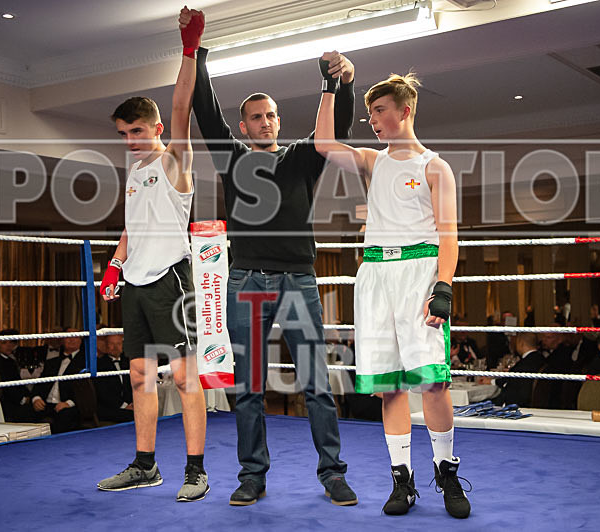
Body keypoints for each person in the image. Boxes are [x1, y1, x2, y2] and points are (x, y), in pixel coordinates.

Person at [191, 16, 358, 507]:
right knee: (248, 386)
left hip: (298, 280)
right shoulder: (232, 157)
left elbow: (337, 128)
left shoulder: (303, 156)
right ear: (244, 126)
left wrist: (343, 83)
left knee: (317, 383)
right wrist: (197, 54)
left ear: (279, 121)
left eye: (271, 115)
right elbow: (206, 112)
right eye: (256, 117)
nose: (266, 122)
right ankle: (252, 476)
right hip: (247, 280)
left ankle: (332, 474)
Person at [314, 66, 470, 518]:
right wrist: (330, 87)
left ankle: (446, 471)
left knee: (433, 382)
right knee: (389, 387)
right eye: (370, 113)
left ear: (405, 111)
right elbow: (323, 144)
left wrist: (443, 284)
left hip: (419, 271)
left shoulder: (434, 166)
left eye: (380, 110)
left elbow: (449, 235)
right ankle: (402, 479)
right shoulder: (372, 160)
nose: (373, 120)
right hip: (376, 274)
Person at [96, 7, 208, 503]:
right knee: (140, 375)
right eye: (123, 134)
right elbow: (133, 227)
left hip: (170, 279)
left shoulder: (174, 160)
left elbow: (182, 106)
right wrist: (114, 264)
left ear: (157, 128)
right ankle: (145, 465)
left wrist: (189, 49)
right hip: (136, 282)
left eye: (137, 131)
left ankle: (196, 470)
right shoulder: (135, 173)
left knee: (184, 377)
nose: (130, 141)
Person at [30, 329, 85, 434]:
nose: (72, 340)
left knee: (65, 417)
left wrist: (68, 403)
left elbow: (87, 391)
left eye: (75, 336)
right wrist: (36, 398)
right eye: (68, 337)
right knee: (23, 412)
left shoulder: (85, 363)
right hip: (46, 405)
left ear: (81, 340)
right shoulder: (51, 362)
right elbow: (39, 385)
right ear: (62, 339)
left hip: (69, 405)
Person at [0, 330, 33, 422]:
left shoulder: (9, 360)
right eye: (4, 343)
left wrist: (29, 395)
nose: (9, 345)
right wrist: (22, 399)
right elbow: (5, 385)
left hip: (13, 399)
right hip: (4, 403)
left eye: (10, 342)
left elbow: (17, 381)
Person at [95, 334, 134, 423]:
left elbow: (133, 385)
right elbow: (103, 393)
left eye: (118, 344)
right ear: (106, 346)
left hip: (129, 405)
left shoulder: (128, 361)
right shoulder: (99, 364)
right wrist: (125, 406)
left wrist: (132, 403)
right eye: (112, 344)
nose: (115, 347)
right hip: (109, 408)